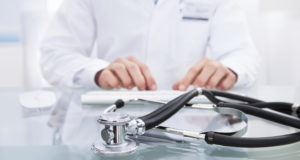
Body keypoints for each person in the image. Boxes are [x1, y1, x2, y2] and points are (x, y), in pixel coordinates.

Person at [41, 0, 259, 91]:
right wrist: (98, 73)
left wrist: (228, 70)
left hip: (191, 123)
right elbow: (56, 53)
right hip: (112, 120)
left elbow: (241, 54)